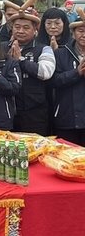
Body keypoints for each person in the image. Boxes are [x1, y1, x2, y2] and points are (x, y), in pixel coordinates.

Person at [6, 3, 55, 135]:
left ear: (35, 30)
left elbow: (46, 72)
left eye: (26, 27)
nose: (20, 31)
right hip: (5, 111)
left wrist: (21, 60)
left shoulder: (44, 48)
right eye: (17, 27)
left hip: (34, 112)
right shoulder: (1, 47)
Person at [51, 9, 85, 144]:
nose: (84, 35)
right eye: (80, 31)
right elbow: (53, 81)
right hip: (67, 116)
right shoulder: (60, 53)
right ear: (73, 33)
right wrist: (76, 73)